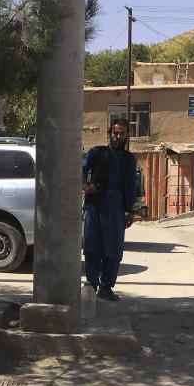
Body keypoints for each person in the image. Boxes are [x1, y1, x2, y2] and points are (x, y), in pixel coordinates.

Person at [82, 118, 138, 301]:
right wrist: (86, 187)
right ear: (110, 134)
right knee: (92, 246)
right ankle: (91, 285)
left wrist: (131, 210)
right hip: (95, 207)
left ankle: (106, 286)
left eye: (122, 133)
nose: (118, 136)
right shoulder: (97, 152)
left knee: (113, 250)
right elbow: (80, 170)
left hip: (116, 210)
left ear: (127, 135)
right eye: (115, 133)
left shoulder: (130, 160)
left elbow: (131, 186)